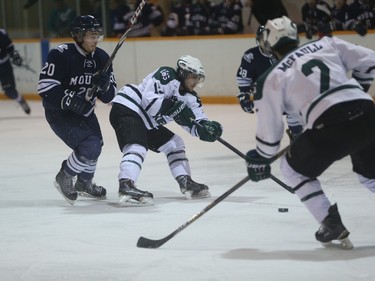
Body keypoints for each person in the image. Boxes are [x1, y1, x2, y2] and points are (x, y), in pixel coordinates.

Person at [245, 16, 375, 249]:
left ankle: (329, 221)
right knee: (371, 174)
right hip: (367, 114)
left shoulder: (271, 77)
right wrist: (354, 92)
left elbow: (270, 136)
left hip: (329, 125)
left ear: (269, 44)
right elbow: (370, 61)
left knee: (292, 169)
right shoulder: (328, 44)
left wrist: (261, 158)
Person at [109, 55, 223, 206]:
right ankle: (126, 185)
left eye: (199, 78)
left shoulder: (191, 99)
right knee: (137, 145)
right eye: (193, 76)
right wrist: (173, 106)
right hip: (128, 107)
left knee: (175, 143)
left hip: (146, 122)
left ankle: (186, 182)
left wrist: (207, 130)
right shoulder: (167, 75)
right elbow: (149, 103)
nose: (196, 82)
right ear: (183, 73)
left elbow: (197, 123)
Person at [38, 15, 117, 205]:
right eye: (91, 35)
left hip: (85, 112)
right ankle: (65, 176)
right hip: (60, 113)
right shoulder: (61, 54)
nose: (96, 39)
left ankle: (84, 183)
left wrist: (104, 85)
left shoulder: (102, 57)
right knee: (90, 146)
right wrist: (69, 100)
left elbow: (109, 96)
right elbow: (45, 86)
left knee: (96, 145)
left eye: (97, 35)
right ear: (79, 36)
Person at [236, 25, 302, 141]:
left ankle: (296, 136)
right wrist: (244, 95)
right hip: (266, 96)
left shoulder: (284, 52)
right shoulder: (251, 56)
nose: (266, 42)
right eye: (262, 39)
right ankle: (268, 143)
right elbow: (244, 77)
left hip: (287, 92)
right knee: (270, 123)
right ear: (258, 40)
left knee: (295, 113)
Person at [0, 28, 30, 114]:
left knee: (10, 91)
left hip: (4, 66)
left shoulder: (1, 33)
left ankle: (20, 100)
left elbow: (9, 46)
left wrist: (14, 55)